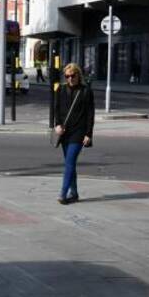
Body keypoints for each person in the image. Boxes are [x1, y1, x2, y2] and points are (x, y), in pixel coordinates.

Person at [54, 63, 95, 205]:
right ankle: (75, 193)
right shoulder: (61, 89)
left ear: (78, 75)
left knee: (69, 163)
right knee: (69, 164)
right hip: (65, 132)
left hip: (79, 132)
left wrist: (88, 134)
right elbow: (57, 110)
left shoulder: (86, 91)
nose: (70, 79)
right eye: (67, 76)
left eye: (73, 75)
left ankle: (63, 194)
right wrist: (57, 125)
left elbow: (90, 114)